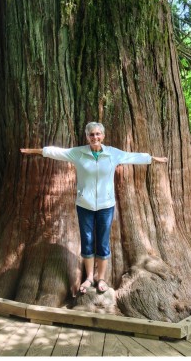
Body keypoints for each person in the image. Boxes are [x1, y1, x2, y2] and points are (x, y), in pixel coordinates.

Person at [20, 122, 168, 294]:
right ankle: (89, 277)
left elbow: (132, 157)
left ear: (103, 136)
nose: (95, 137)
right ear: (87, 136)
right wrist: (36, 151)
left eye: (98, 134)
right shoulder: (79, 153)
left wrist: (153, 159)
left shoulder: (112, 154)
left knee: (103, 242)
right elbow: (57, 152)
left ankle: (101, 278)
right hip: (85, 205)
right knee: (87, 241)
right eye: (91, 135)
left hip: (106, 205)